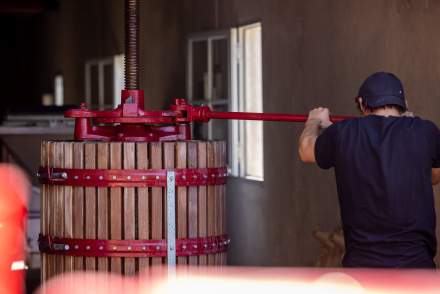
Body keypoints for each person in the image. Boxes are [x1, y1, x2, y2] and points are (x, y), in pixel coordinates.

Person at [298, 72, 440, 268]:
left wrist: (314, 120)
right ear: (405, 103)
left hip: (364, 270)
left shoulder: (343, 134)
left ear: (363, 104)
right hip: (416, 267)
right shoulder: (425, 132)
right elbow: (433, 176)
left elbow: (306, 149)